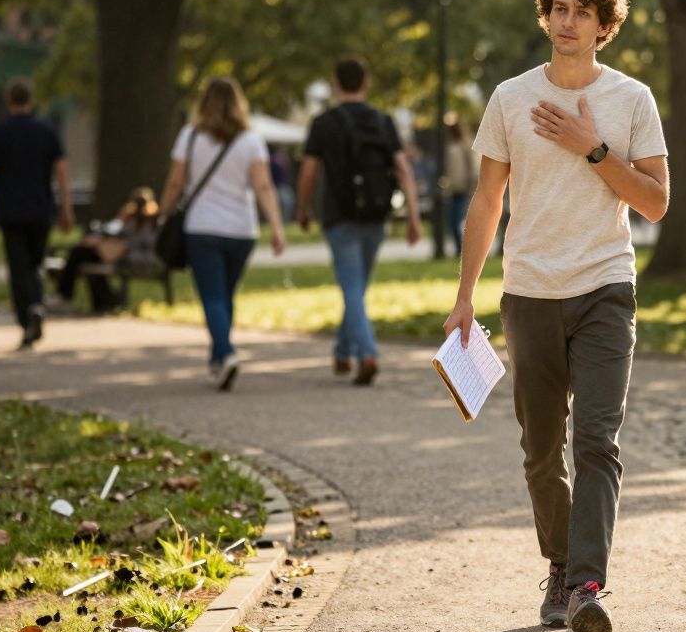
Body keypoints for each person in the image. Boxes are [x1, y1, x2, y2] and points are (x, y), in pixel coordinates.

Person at [442, 0, 668, 632]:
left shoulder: (632, 101)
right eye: (559, 9)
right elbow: (488, 200)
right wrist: (463, 298)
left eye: (582, 13)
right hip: (530, 291)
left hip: (605, 287)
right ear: (547, 15)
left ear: (605, 27)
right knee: (541, 451)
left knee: (596, 440)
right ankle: (561, 565)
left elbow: (656, 203)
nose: (567, 22)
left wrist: (592, 148)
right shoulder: (510, 98)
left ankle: (587, 587)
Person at [297, 57, 423, 386]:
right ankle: (341, 351)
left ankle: (367, 354)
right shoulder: (382, 121)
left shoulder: (323, 122)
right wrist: (412, 215)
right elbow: (403, 170)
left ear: (336, 84)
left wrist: (302, 208)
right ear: (365, 83)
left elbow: (309, 171)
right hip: (376, 216)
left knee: (353, 289)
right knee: (357, 288)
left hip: (339, 217)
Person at [159, 76, 285, 391]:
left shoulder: (189, 137)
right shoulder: (250, 140)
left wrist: (163, 211)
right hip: (242, 229)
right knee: (226, 296)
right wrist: (277, 226)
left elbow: (175, 182)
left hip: (202, 227)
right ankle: (217, 361)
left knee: (212, 297)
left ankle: (226, 354)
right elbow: (263, 186)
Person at [0, 77, 75, 350]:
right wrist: (66, 207)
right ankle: (36, 305)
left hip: (10, 210)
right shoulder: (46, 131)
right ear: (31, 100)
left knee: (18, 267)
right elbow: (62, 172)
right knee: (35, 264)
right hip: (40, 208)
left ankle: (27, 317)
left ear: (9, 101)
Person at [47, 187, 161, 314]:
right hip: (114, 254)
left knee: (79, 253)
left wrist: (110, 239)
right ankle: (78, 298)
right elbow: (114, 231)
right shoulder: (130, 219)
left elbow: (132, 242)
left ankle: (64, 296)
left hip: (126, 257)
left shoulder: (150, 222)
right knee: (81, 253)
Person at [440, 120, 479, 258]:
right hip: (453, 190)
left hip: (464, 190)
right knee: (453, 222)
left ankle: (463, 251)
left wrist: (472, 186)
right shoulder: (451, 146)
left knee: (459, 221)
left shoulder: (464, 146)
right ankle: (459, 250)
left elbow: (472, 169)